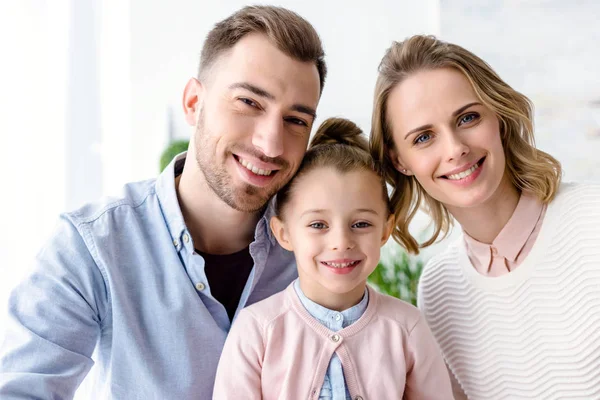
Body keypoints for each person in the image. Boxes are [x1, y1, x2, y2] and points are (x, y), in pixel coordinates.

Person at [0, 5, 326, 398]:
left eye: (296, 121)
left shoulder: (318, 252)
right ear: (193, 102)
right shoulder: (92, 247)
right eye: (249, 103)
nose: (271, 143)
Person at [370, 34, 600, 399]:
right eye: (424, 138)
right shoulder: (438, 289)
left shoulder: (593, 218)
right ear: (400, 161)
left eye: (468, 117)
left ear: (499, 117)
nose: (456, 149)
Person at [213, 117, 453, 400]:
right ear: (284, 233)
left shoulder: (408, 328)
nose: (341, 243)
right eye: (318, 225)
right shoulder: (256, 329)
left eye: (361, 224)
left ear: (385, 230)